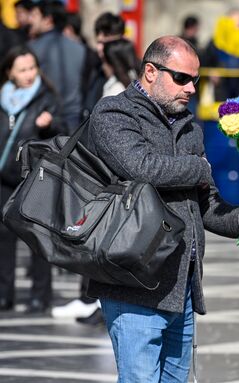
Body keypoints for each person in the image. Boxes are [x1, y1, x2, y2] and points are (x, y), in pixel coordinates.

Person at [84, 36, 239, 382]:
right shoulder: (113, 113)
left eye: (195, 81)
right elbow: (143, 167)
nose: (191, 89)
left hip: (181, 284)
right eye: (181, 78)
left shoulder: (188, 127)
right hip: (134, 281)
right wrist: (198, 167)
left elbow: (206, 204)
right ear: (150, 72)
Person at [52, 12, 127, 324]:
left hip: (107, 172)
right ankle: (91, 298)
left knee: (101, 235)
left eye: (104, 40)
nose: (99, 47)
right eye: (97, 39)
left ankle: (96, 299)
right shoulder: (100, 72)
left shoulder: (119, 86)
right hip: (94, 166)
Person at [0, 45, 65, 313]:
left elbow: (62, 135)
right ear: (10, 73)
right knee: (3, 237)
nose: (29, 74)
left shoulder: (46, 97)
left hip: (34, 177)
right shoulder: (3, 98)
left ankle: (40, 295)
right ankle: (4, 293)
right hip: (3, 178)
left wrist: (49, 125)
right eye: (22, 69)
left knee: (37, 237)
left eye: (32, 68)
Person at [27, 0, 85, 131]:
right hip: (75, 120)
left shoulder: (33, 49)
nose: (30, 20)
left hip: (46, 120)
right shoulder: (80, 48)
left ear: (48, 20)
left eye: (35, 15)